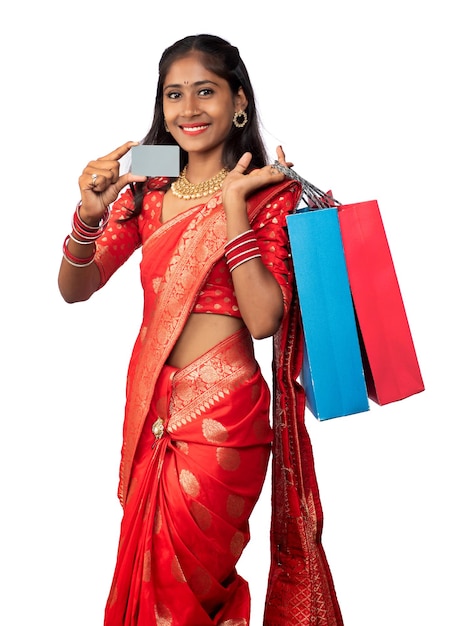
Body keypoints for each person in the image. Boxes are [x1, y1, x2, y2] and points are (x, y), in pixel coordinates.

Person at [58, 33, 343, 626]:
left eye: (205, 92)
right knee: (151, 586)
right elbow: (76, 287)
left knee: (188, 593)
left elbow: (265, 319)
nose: (188, 110)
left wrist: (235, 205)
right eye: (173, 96)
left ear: (239, 100)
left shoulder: (272, 192)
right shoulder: (148, 189)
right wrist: (89, 215)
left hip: (225, 420)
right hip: (151, 406)